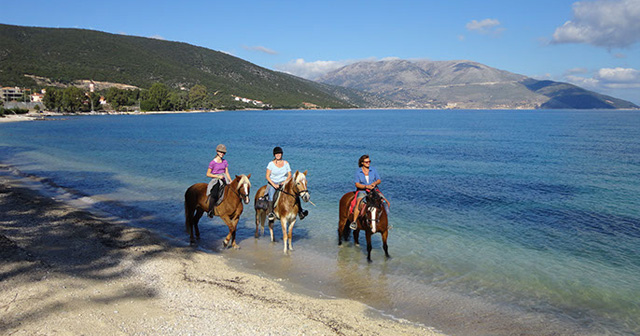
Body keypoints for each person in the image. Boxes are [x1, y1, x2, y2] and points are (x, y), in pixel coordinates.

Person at [265, 146, 308, 221]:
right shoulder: (271, 164)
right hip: (273, 183)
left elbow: (289, 175)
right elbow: (267, 176)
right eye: (276, 154)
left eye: (279, 153)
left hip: (284, 182)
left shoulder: (286, 163)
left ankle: (300, 211)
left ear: (281, 154)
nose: (278, 155)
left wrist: (284, 182)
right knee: (271, 195)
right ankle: (271, 213)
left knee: (295, 194)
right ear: (274, 155)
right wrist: (274, 184)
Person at [350, 154, 382, 230]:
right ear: (362, 163)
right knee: (359, 203)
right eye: (366, 162)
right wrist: (366, 186)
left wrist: (374, 183)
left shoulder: (373, 169)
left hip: (373, 190)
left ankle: (384, 222)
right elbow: (357, 184)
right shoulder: (358, 172)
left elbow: (379, 180)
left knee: (385, 202)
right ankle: (354, 222)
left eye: (369, 161)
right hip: (362, 190)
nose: (368, 163)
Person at [206, 144, 232, 217]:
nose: (222, 154)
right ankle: (210, 210)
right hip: (216, 180)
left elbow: (227, 172)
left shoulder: (225, 162)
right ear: (217, 151)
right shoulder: (212, 163)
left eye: (224, 153)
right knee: (214, 193)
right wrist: (217, 176)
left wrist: (230, 180)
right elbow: (208, 174)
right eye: (221, 152)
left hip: (224, 178)